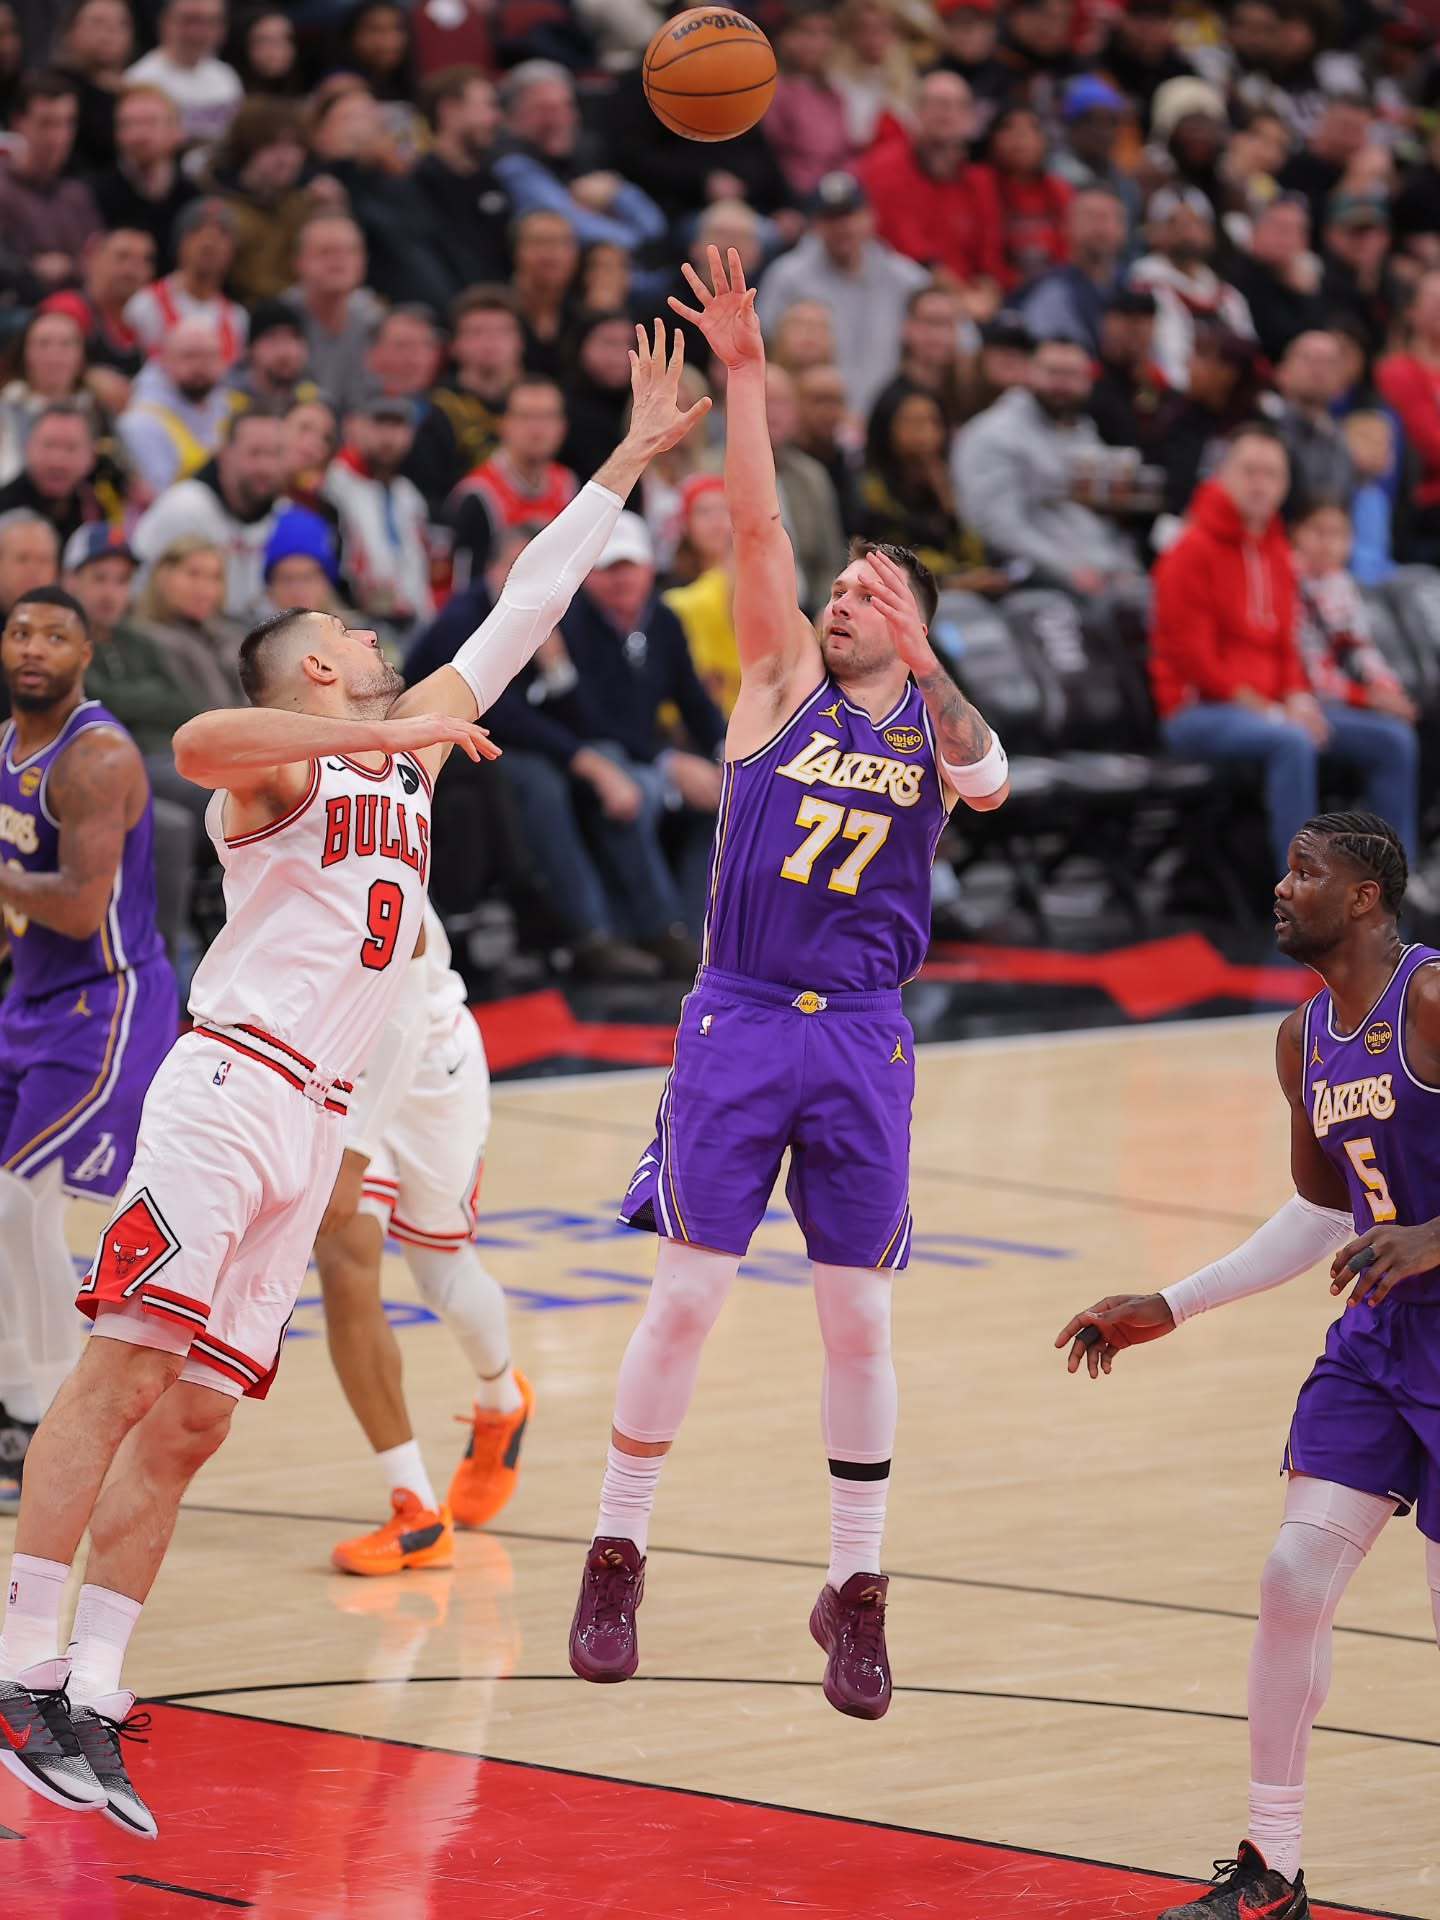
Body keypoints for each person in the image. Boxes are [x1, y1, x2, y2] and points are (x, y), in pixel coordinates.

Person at [0, 318, 707, 1832]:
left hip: (318, 1123)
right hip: (228, 1090)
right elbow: (200, 737)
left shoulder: (410, 747)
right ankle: (16, 1665)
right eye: (361, 641)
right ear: (322, 663)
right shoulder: (283, 761)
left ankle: (94, 1692)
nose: (391, 647)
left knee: (197, 1419)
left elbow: (528, 598)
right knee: (122, 1373)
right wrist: (404, 720)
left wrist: (627, 462)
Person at [567, 248, 1010, 1713]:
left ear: (915, 624)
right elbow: (755, 521)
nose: (840, 603)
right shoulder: (775, 689)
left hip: (865, 1036)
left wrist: (931, 660)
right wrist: (746, 373)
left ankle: (856, 1588)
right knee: (687, 1299)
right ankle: (617, 1552)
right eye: (839, 588)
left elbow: (991, 781)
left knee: (859, 1320)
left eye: (870, 594)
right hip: (744, 1019)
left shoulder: (936, 730)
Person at [1054, 809, 1440, 1920]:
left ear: (1364, 898)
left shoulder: (1430, 998)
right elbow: (1323, 1213)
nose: (1281, 886)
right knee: (1291, 1578)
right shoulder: (1300, 1039)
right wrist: (1172, 1303)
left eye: (1304, 872)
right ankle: (1272, 1868)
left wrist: (1432, 1236)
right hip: (1380, 1344)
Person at [0, 585, 178, 1525]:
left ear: (85, 654)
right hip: (31, 1001)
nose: (34, 647)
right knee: (5, 1208)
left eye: (55, 635)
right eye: (20, 631)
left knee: (20, 1201)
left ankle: (48, 1417)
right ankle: (18, 1405)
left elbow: (74, 906)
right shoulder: (5, 747)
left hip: (106, 1004)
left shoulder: (96, 756)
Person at [316, 899, 530, 1575]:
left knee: (442, 1274)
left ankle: (502, 1400)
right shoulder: (241, 836)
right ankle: (415, 1508)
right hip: (333, 1070)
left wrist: (356, 1152)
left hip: (427, 1060)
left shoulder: (376, 837)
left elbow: (401, 1013)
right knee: (343, 1264)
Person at [1151, 424, 1419, 872]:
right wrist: (1272, 711)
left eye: (1271, 474)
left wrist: (1296, 697)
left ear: (1285, 485)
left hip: (1272, 707)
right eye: (1249, 471)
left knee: (1392, 739)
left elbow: (1289, 645)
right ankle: (1301, 892)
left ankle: (1390, 891)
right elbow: (1192, 661)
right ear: (1221, 475)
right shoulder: (1188, 551)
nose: (1260, 484)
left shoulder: (1276, 550)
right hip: (1199, 710)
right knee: (1292, 741)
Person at [952, 336, 1144, 597]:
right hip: (1034, 582)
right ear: (1029, 372)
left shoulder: (1083, 432)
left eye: (1073, 374)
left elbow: (1103, 521)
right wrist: (1067, 570)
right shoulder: (994, 433)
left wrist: (1124, 566)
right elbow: (995, 526)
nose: (1062, 384)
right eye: (1053, 372)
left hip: (1105, 571)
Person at [755, 172, 930, 418]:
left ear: (870, 216)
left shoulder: (904, 278)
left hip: (888, 419)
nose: (842, 227)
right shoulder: (788, 276)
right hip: (812, 418)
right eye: (831, 218)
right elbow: (764, 346)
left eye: (850, 215)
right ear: (815, 224)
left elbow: (962, 341)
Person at [492, 59, 664, 256]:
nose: (559, 119)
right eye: (544, 110)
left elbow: (654, 225)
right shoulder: (512, 163)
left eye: (566, 106)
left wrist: (615, 193)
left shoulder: (584, 151)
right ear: (513, 116)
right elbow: (579, 229)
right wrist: (634, 234)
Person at [132, 406, 287, 617]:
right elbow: (137, 589)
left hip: (238, 628)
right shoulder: (185, 507)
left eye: (275, 454)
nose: (266, 467)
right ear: (224, 455)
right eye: (255, 453)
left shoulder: (280, 510)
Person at [859, 71, 1006, 291]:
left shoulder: (980, 180)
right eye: (937, 104)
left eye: (958, 106)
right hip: (904, 291)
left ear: (970, 118)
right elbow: (903, 249)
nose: (947, 113)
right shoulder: (884, 166)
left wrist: (988, 291)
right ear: (916, 111)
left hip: (968, 296)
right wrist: (960, 296)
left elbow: (990, 255)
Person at [446, 377, 575, 590]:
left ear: (563, 426)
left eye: (547, 417)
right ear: (502, 424)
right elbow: (464, 587)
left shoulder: (568, 485)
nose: (537, 429)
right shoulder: (479, 494)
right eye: (525, 417)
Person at [406, 287, 523, 517]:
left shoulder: (540, 405)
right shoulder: (436, 411)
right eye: (477, 332)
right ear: (455, 345)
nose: (490, 342)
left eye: (502, 332)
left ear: (519, 342)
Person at [323, 396, 433, 638]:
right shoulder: (334, 483)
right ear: (353, 426)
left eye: (397, 425)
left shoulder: (408, 494)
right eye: (379, 423)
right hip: (353, 624)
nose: (388, 437)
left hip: (410, 625)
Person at [1130, 187, 1257, 391]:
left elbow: (1247, 352)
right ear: (1153, 231)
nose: (1187, 232)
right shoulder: (1144, 286)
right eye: (1174, 223)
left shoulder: (1228, 296)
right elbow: (1167, 358)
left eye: (1197, 223)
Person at [411, 66, 512, 303]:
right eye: (487, 106)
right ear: (449, 110)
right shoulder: (417, 184)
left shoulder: (493, 179)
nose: (496, 118)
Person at [0, 72, 100, 290]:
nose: (58, 137)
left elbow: (98, 261)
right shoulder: (4, 188)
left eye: (67, 123)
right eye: (46, 123)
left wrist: (70, 267)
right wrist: (30, 269)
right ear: (18, 123)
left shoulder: (77, 194)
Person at [124, 198, 248, 369]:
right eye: (197, 231)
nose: (209, 242)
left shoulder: (237, 319)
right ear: (180, 243)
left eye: (221, 235)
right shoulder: (145, 305)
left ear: (232, 251)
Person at [284, 214, 385, 421]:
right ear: (299, 262)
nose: (338, 261)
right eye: (325, 252)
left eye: (350, 251)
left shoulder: (377, 321)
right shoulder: (279, 320)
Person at [118, 317, 234, 496]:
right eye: (189, 356)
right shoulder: (141, 422)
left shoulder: (233, 406)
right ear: (163, 360)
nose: (200, 365)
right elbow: (162, 495)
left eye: (210, 356)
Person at [87, 86, 196, 271]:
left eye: (150, 123)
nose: (138, 135)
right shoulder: (92, 195)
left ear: (177, 131)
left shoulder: (193, 199)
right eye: (128, 124)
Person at [971, 104, 1073, 293]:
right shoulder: (977, 183)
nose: (1020, 137)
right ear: (993, 138)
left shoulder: (1059, 189)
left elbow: (1067, 252)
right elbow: (983, 254)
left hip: (1052, 290)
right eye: (1009, 128)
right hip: (993, 291)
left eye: (1031, 129)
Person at [1019, 185, 1130, 357]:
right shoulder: (1051, 290)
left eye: (1107, 217)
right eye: (1090, 217)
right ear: (1066, 227)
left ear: (1124, 230)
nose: (1099, 227)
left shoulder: (1137, 283)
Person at [1377, 269, 1440, 567]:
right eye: (1433, 299)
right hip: (1426, 504)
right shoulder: (1398, 371)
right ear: (1411, 312)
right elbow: (1430, 445)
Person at [1227, 193, 1327, 365]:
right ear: (1255, 231)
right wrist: (1301, 295)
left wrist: (1305, 295)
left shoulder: (1306, 282)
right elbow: (1277, 340)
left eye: (1297, 231)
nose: (1287, 239)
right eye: (1280, 228)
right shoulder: (1236, 278)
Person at [125, 0, 241, 144]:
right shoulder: (141, 79)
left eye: (210, 22)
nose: (198, 32)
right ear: (165, 23)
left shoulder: (226, 75)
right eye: (189, 21)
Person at [1269, 329, 1356, 515]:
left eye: (1329, 363)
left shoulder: (1343, 441)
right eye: (1308, 359)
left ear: (1342, 381)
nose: (1319, 369)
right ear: (1282, 372)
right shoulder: (1263, 430)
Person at [0, 404, 102, 550]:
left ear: (91, 456)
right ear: (27, 448)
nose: (57, 461)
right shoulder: (4, 507)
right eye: (49, 445)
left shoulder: (100, 507)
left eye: (70, 448)